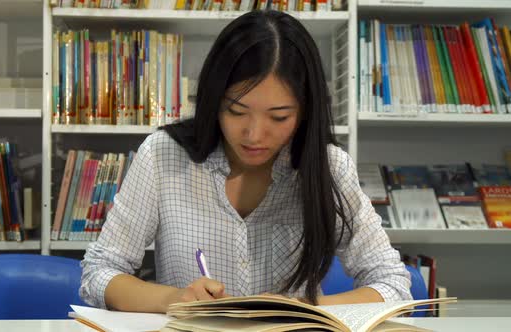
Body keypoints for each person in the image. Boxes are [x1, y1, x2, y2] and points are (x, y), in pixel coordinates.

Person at [80, 10, 412, 313]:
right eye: (236, 112)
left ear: (305, 112)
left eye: (279, 117)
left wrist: (305, 308)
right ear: (213, 101)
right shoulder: (163, 156)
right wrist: (172, 298)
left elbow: (393, 283)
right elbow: (100, 272)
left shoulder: (329, 168)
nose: (254, 135)